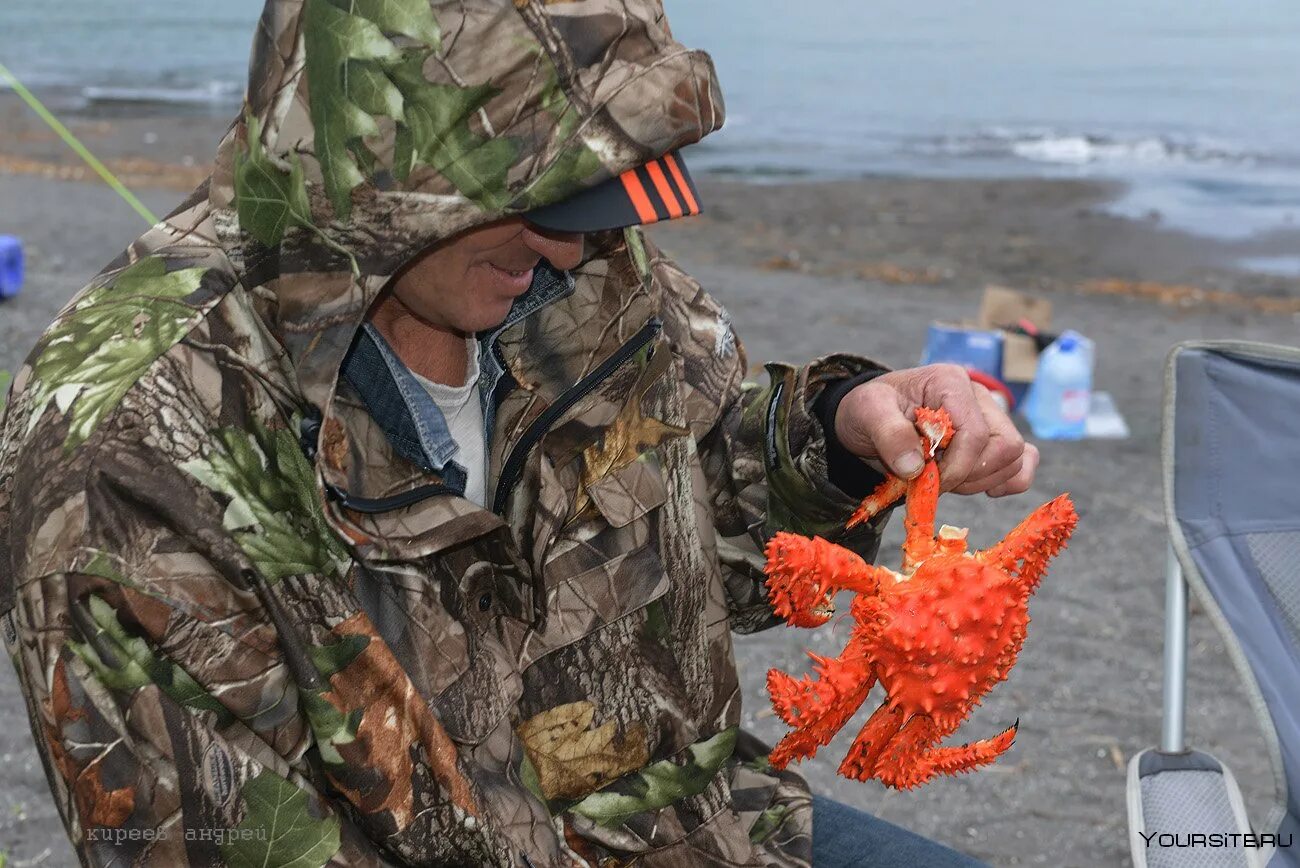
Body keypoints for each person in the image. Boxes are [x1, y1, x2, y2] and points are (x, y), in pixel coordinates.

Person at [0, 1, 1036, 865]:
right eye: (544, 200)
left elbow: (705, 525)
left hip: (695, 823)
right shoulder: (126, 448)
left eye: (597, 200)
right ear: (382, 171)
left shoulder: (582, 274)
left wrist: (845, 433)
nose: (574, 242)